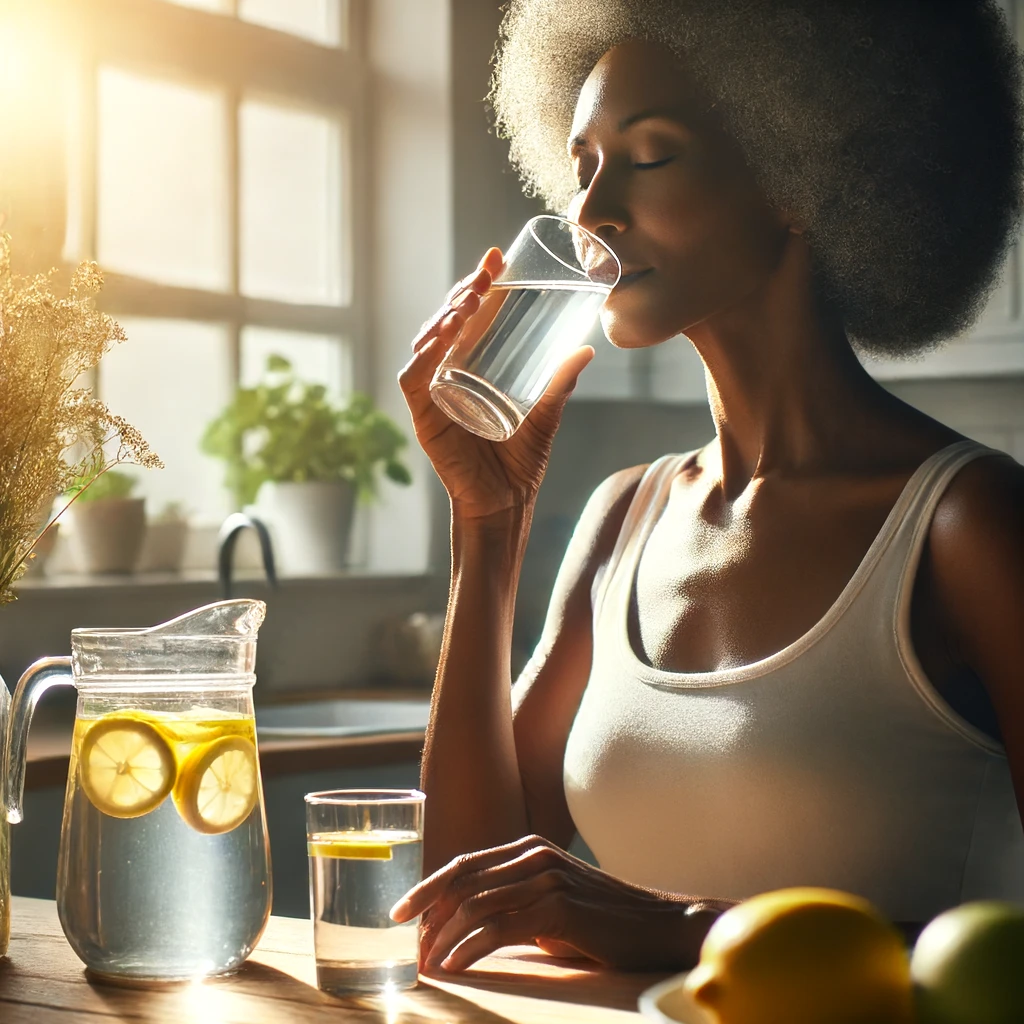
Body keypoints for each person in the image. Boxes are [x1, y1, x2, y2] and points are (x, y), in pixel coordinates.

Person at [393, 0, 1024, 973]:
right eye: (583, 167)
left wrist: (684, 929)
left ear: (798, 175)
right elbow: (462, 889)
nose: (593, 212)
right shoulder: (620, 521)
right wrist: (488, 519)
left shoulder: (967, 526)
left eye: (647, 156)